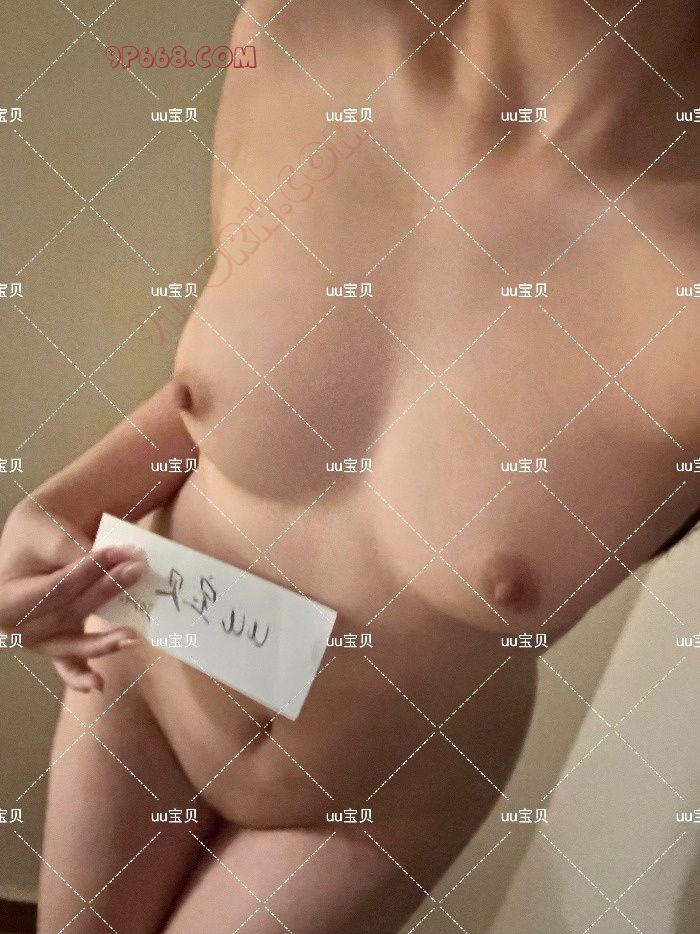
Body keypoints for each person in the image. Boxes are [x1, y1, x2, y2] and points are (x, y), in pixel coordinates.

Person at [1, 1, 698, 931]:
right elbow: (242, 385)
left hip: (370, 806)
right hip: (139, 665)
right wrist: (58, 505)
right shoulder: (298, 32)